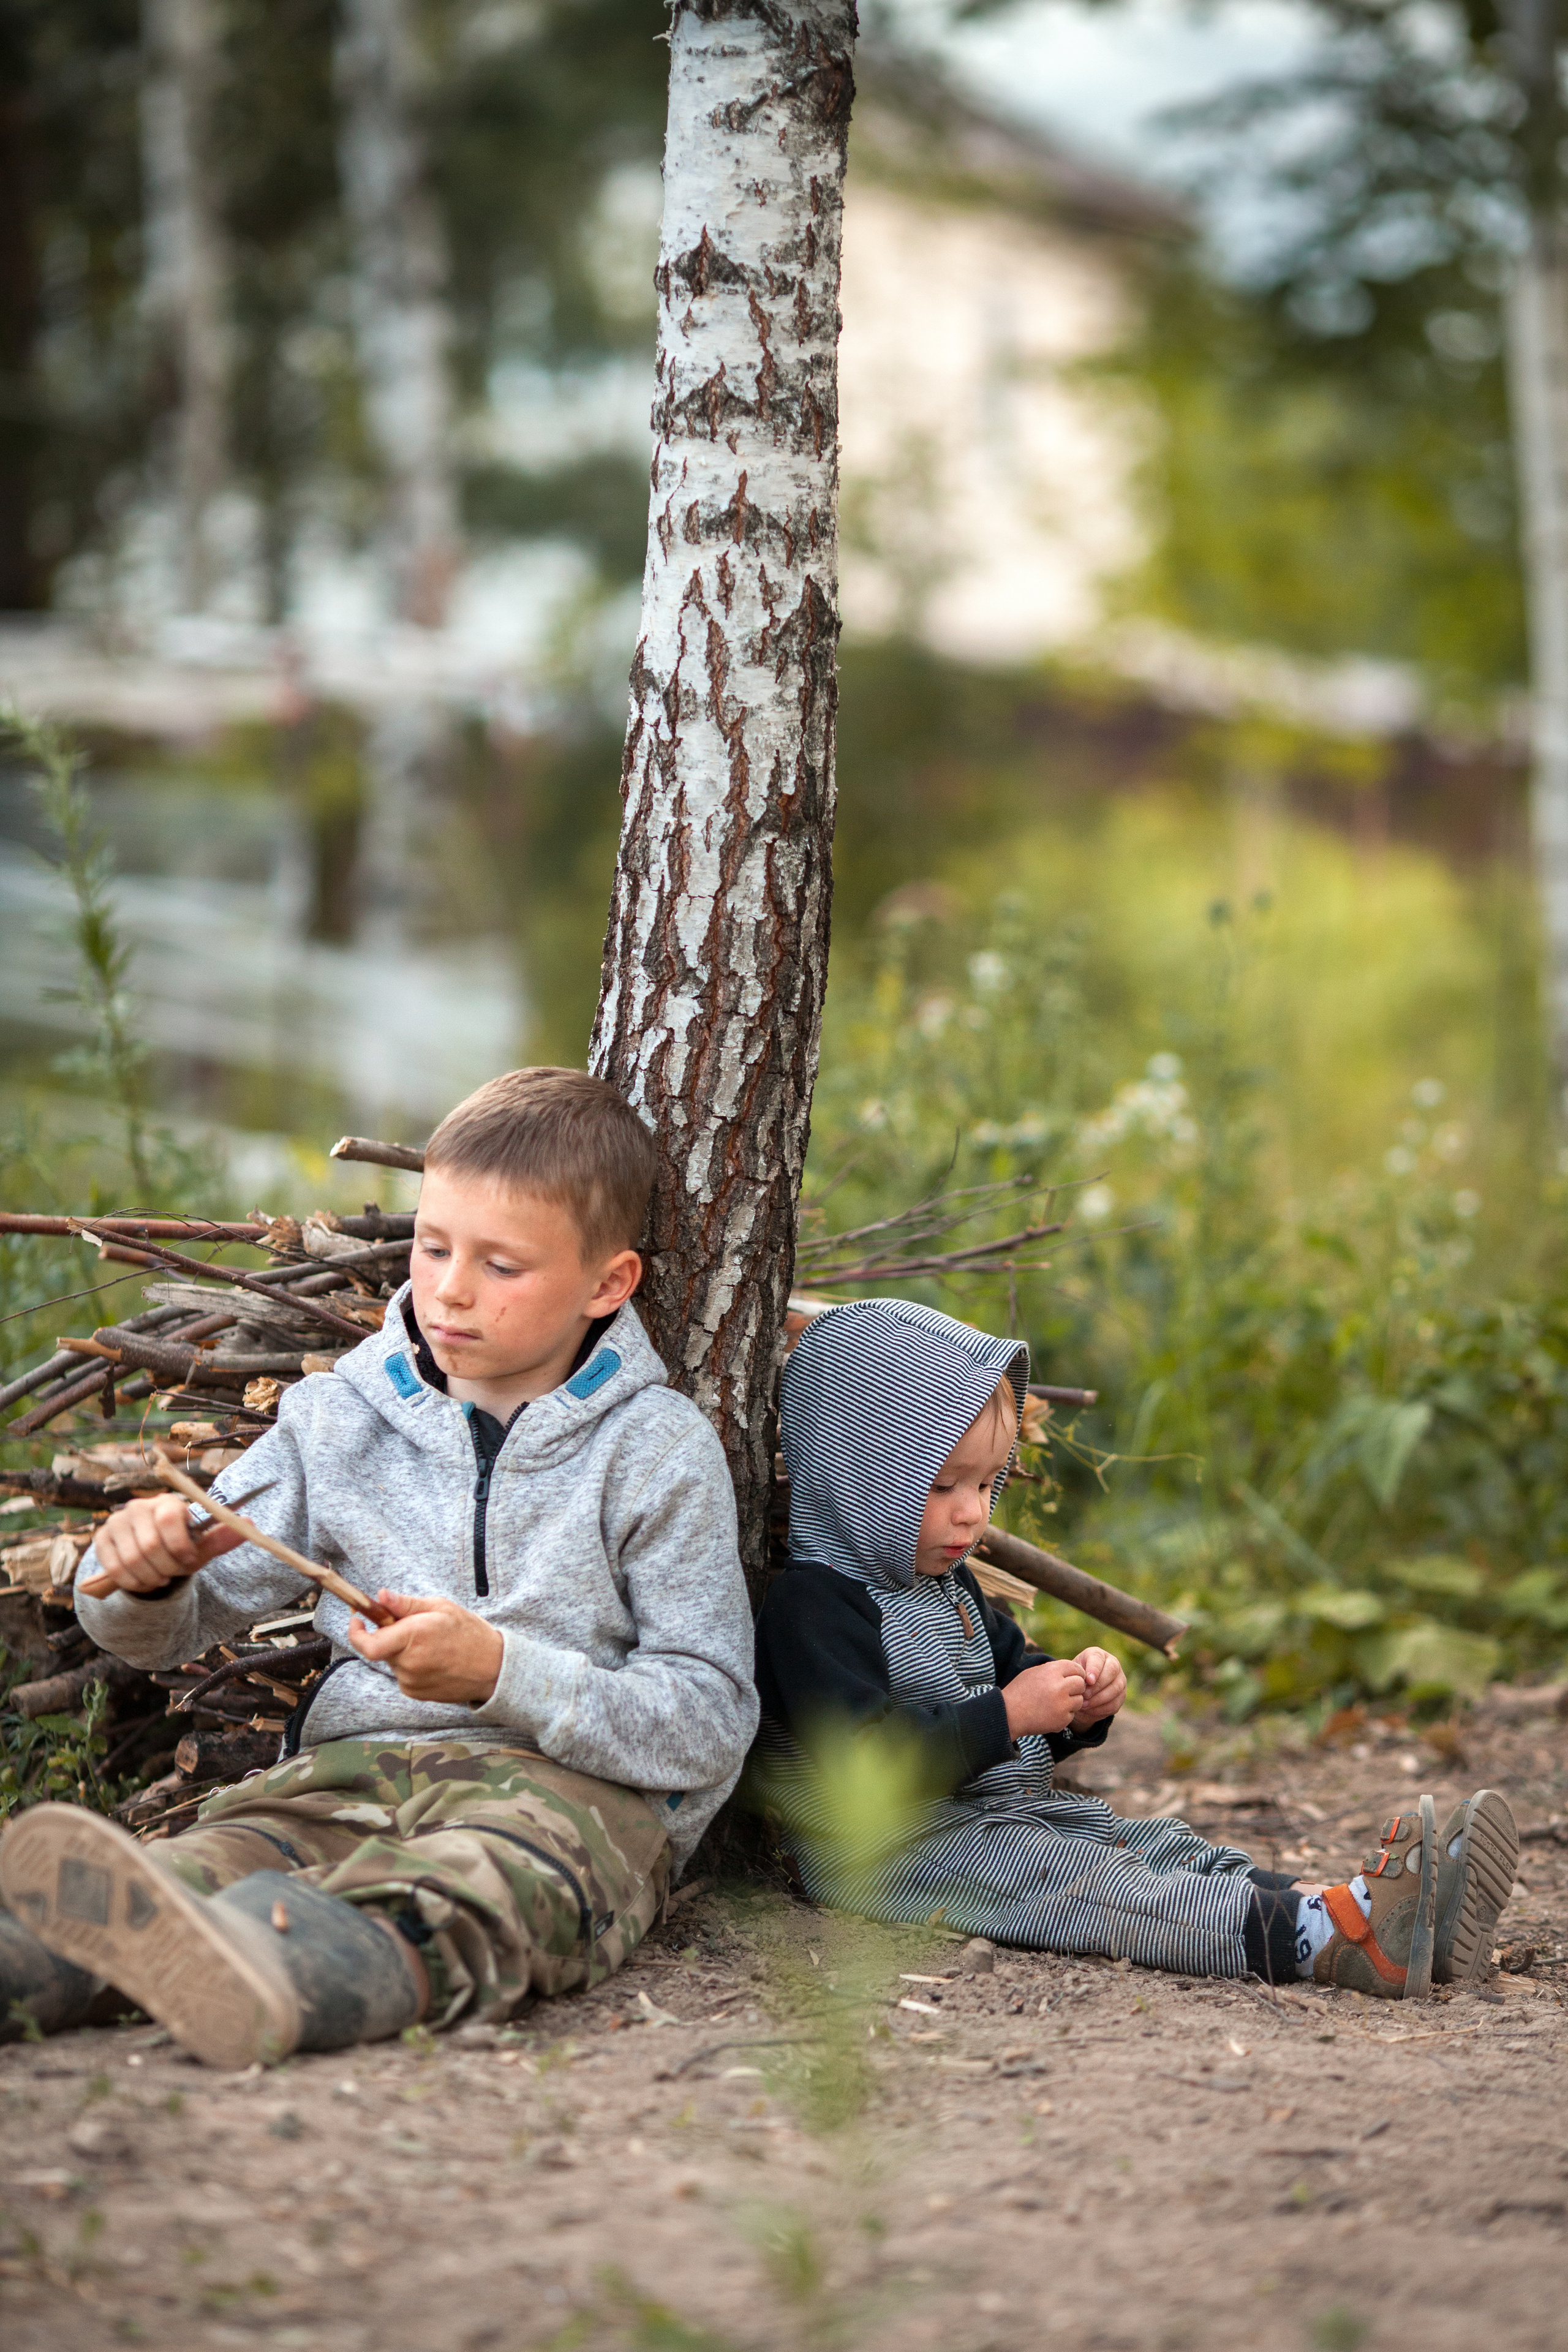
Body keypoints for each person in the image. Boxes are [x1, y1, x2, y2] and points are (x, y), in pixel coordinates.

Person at [0, 1068, 758, 2067]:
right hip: (345, 1773)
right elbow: (168, 1632)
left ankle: (282, 1972)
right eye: (434, 1247)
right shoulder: (341, 1419)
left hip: (566, 1800)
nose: (448, 1288)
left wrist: (500, 1674)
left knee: (468, 1895)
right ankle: (52, 1955)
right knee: (223, 1856)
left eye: (501, 1266)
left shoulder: (657, 1450)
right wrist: (142, 1579)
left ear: (608, 1284)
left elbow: (709, 1718)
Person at [751, 1297, 1518, 1994]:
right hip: (894, 1856)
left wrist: (1077, 1701)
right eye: (943, 1487)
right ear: (860, 1475)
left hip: (989, 1818)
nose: (971, 1518)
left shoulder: (946, 1588)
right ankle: (1338, 1937)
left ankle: (1368, 1918)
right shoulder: (816, 1606)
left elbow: (1019, 1679)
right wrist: (1010, 1715)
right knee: (1101, 1888)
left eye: (986, 1488)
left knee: (1156, 1846)